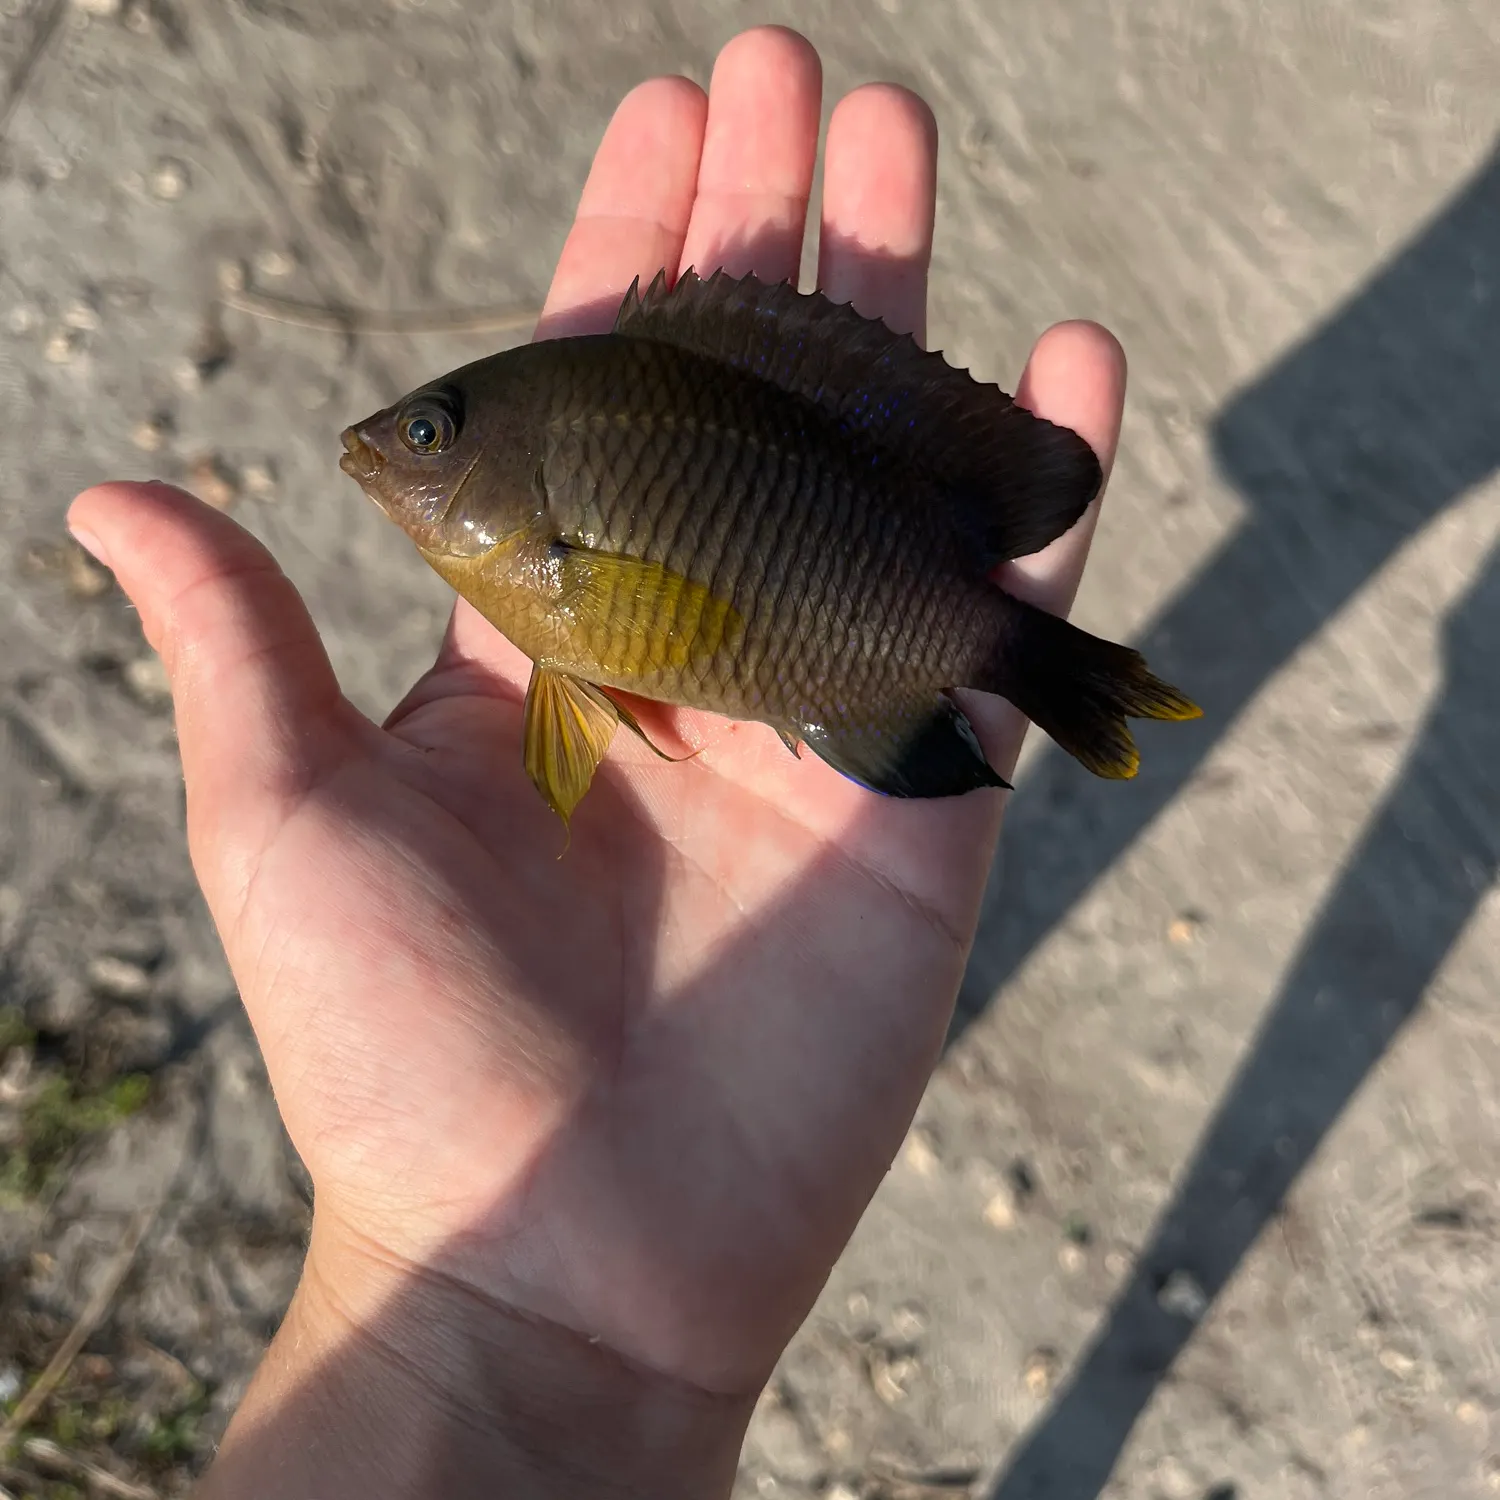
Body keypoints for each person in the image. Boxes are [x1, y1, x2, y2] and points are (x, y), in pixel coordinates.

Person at [68, 26, 1125, 1499]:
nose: (389, 446)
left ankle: (1072, 686)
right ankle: (1073, 687)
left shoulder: (552, 528)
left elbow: (646, 618)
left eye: (431, 433)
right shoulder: (549, 533)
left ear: (508, 477)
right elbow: (635, 622)